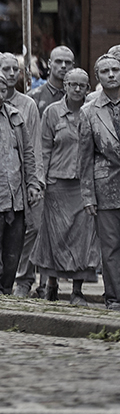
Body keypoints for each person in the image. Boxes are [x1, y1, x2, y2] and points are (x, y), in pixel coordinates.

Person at [32, 67, 97, 304]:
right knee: (54, 238)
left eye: (82, 85)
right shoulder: (51, 113)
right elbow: (44, 149)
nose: (77, 89)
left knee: (83, 238)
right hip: (56, 184)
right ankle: (51, 285)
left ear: (88, 88)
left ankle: (77, 291)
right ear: (65, 86)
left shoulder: (91, 113)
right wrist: (40, 181)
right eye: (73, 85)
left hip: (84, 186)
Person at [0, 68, 41, 295]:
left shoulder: (15, 116)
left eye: (4, 91)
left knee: (13, 250)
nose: (1, 96)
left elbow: (29, 154)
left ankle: (6, 287)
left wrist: (33, 183)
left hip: (17, 196)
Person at [84, 55, 120, 310]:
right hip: (105, 186)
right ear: (98, 77)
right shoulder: (89, 111)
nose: (111, 74)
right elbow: (84, 157)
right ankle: (115, 298)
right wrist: (88, 195)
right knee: (110, 248)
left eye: (116, 69)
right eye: (105, 71)